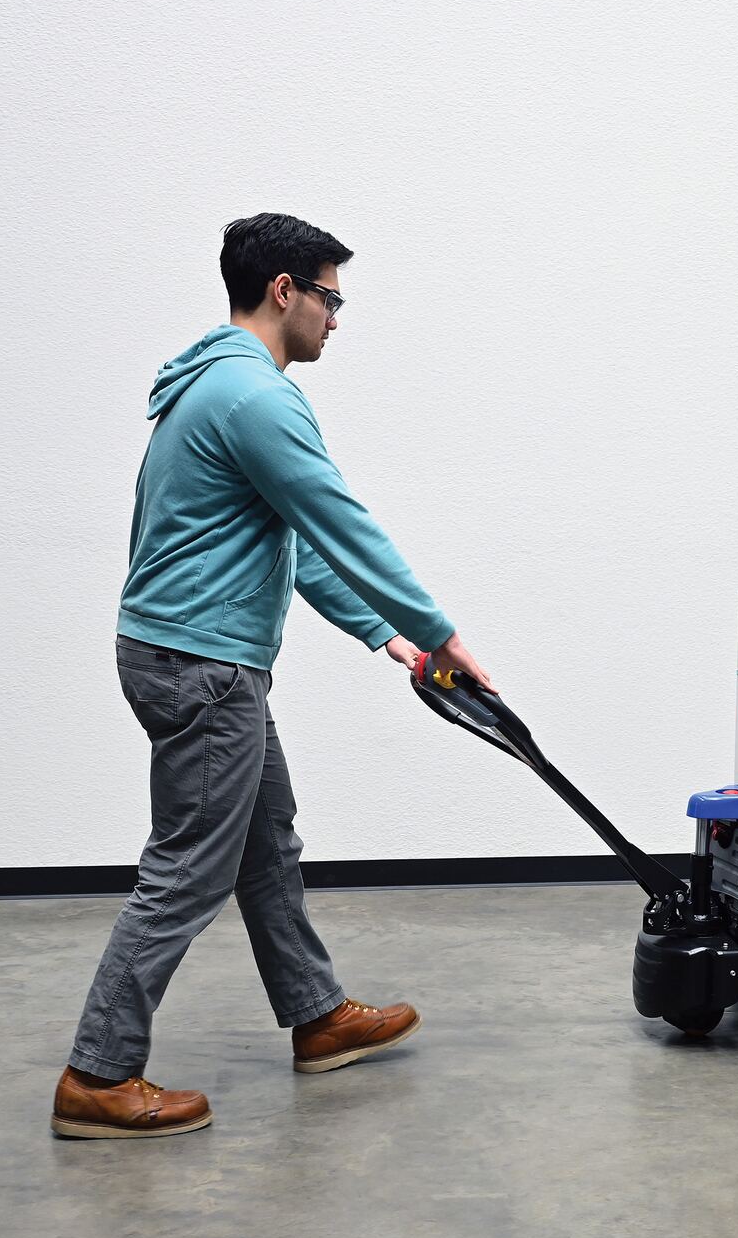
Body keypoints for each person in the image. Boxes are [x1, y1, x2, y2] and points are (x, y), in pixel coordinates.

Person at [51, 213, 492, 1139]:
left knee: (266, 844)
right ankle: (97, 1073)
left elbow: (295, 539)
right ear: (283, 290)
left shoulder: (211, 386)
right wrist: (440, 634)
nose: (336, 318)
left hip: (198, 658)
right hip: (203, 665)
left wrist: (387, 635)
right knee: (188, 868)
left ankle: (318, 1016)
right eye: (329, 297)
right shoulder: (255, 397)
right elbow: (340, 519)